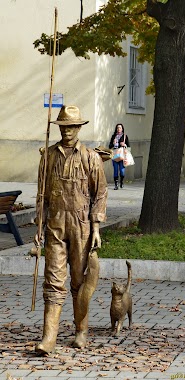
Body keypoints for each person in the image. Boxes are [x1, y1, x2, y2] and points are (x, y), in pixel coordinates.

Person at [34, 105, 108, 353]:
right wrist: (39, 223)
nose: (67, 131)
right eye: (64, 126)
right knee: (53, 281)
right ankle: (49, 337)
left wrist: (96, 226)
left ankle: (81, 330)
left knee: (79, 281)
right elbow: (41, 194)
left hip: (81, 226)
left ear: (79, 128)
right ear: (59, 127)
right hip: (55, 224)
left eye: (72, 126)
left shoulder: (91, 157)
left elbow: (100, 193)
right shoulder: (49, 156)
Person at [109, 123, 130, 190]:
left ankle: (121, 181)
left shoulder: (125, 136)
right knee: (115, 170)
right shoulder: (113, 136)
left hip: (122, 155)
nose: (118, 129)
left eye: (120, 128)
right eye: (117, 128)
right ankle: (116, 185)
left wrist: (124, 145)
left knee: (122, 171)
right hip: (115, 155)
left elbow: (128, 147)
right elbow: (109, 146)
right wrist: (113, 143)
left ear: (122, 129)